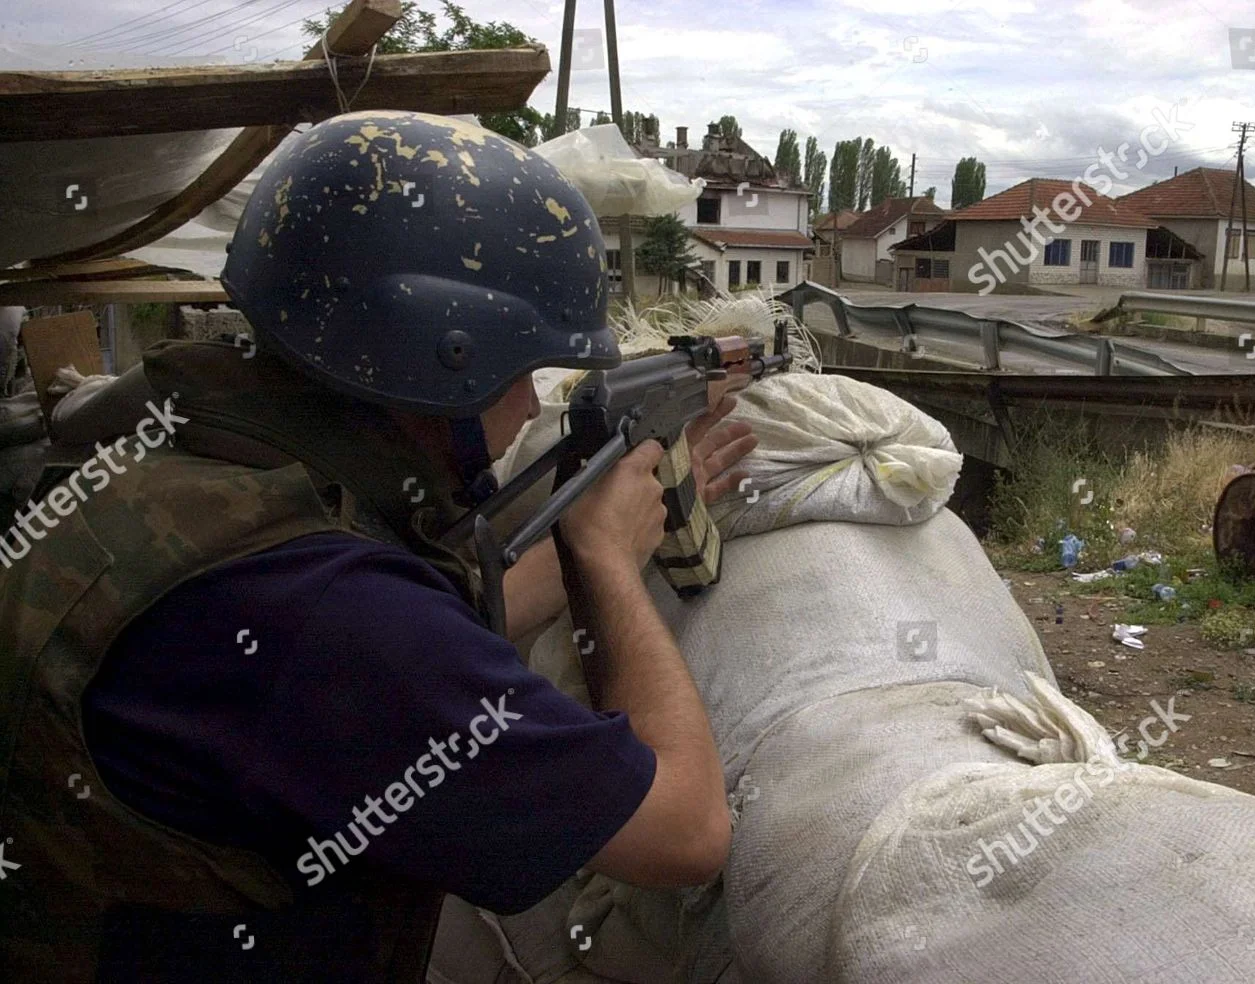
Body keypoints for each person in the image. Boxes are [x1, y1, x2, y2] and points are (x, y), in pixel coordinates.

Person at [0, 111, 755, 982]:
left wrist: (608, 522)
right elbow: (685, 831)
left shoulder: (177, 470)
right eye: (526, 372)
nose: (525, 410)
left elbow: (432, 638)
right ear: (443, 354)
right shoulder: (324, 616)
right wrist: (608, 567)